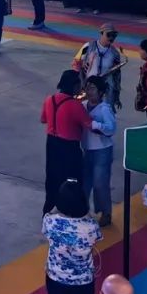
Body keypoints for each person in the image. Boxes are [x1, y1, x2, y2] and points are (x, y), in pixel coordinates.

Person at [40, 71, 90, 214]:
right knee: (72, 180)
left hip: (51, 144)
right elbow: (89, 124)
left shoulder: (49, 99)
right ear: (74, 86)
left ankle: (48, 210)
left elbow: (44, 119)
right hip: (69, 148)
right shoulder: (75, 105)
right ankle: (71, 211)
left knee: (52, 178)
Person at [82, 77, 116, 227]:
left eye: (93, 88)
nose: (89, 91)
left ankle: (105, 212)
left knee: (100, 183)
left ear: (101, 92)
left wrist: (94, 125)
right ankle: (82, 210)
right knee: (85, 183)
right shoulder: (82, 105)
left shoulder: (104, 109)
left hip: (102, 151)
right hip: (87, 149)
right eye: (87, 88)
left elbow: (111, 128)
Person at [74, 25, 127, 109]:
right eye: (108, 35)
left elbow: (117, 76)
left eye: (114, 35)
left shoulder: (115, 53)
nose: (111, 38)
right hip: (88, 86)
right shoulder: (88, 46)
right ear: (101, 33)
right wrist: (81, 83)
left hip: (106, 90)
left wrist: (117, 95)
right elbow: (77, 64)